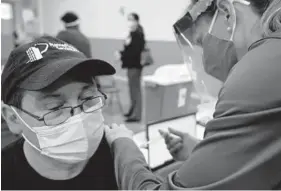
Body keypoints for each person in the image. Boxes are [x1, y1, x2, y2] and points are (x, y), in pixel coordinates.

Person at [105, 0, 281, 189]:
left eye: (200, 41)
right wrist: (205, 152)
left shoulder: (256, 72)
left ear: (227, 13)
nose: (204, 57)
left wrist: (123, 146)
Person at [1, 36, 118, 190]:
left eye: (88, 98)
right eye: (55, 107)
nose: (79, 118)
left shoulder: (119, 161)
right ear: (13, 118)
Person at [57, 12, 100, 88]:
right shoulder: (83, 37)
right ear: (77, 24)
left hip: (74, 74)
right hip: (89, 73)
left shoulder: (63, 35)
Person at [116, 13, 145, 123]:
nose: (130, 21)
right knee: (132, 90)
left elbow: (135, 52)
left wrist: (121, 55)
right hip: (131, 66)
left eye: (132, 19)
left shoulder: (138, 34)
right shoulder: (133, 33)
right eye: (128, 19)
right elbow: (130, 50)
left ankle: (136, 115)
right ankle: (132, 111)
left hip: (135, 66)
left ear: (137, 21)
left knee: (135, 91)